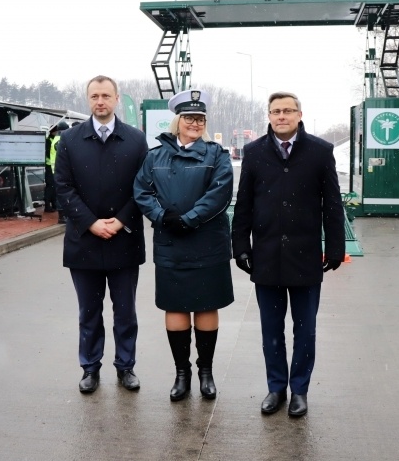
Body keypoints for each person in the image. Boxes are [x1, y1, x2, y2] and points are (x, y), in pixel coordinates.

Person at [231, 91, 346, 418]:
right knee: (271, 329)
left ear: (299, 114)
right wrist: (240, 246)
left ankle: (300, 390)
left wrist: (335, 247)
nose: (281, 116)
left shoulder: (320, 152)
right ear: (268, 115)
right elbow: (244, 205)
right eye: (275, 111)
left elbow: (332, 205)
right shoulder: (254, 153)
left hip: (305, 255)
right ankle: (276, 388)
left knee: (305, 328)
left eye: (287, 110)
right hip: (266, 255)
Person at [133, 89, 234, 402]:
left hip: (207, 241)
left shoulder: (217, 154)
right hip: (171, 241)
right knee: (175, 306)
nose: (195, 123)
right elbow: (141, 191)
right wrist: (163, 217)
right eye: (190, 118)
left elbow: (220, 193)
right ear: (177, 121)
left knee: (206, 305)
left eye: (200, 118)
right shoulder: (155, 156)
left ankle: (206, 371)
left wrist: (188, 218)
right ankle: (182, 373)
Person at [54, 75, 148, 394]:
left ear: (117, 98)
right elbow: (63, 188)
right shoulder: (70, 140)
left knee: (125, 313)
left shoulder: (135, 140)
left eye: (106, 95)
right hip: (85, 242)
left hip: (124, 240)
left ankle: (126, 367)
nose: (100, 101)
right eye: (94, 96)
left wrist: (120, 220)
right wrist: (92, 223)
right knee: (89, 313)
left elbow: (143, 187)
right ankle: (90, 368)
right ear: (88, 99)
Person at [44, 119, 69, 219]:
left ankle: (59, 211)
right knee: (58, 190)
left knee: (57, 190)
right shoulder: (60, 140)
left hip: (55, 169)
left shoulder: (55, 139)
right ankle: (62, 215)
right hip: (57, 169)